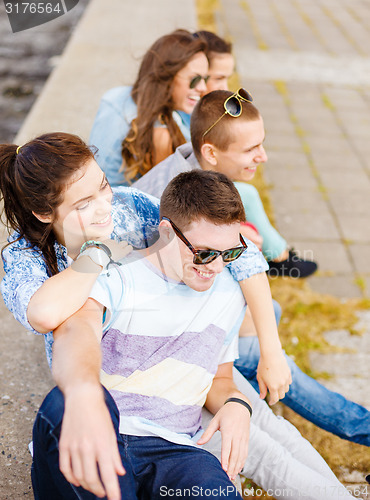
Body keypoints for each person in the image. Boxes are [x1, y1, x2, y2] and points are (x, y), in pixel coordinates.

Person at [32, 171, 353, 500]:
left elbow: (220, 378)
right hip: (106, 429)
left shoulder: (227, 292)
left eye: (229, 254)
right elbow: (77, 333)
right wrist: (84, 391)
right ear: (168, 232)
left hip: (178, 450)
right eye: (204, 252)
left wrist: (236, 405)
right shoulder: (117, 276)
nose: (215, 266)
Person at [132, 91, 370, 446]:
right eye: (251, 149)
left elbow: (247, 265)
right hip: (161, 337)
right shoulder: (176, 196)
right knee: (265, 353)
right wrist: (271, 355)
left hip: (192, 305)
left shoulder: (194, 169)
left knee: (268, 315)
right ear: (211, 153)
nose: (263, 156)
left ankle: (269, 389)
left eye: (262, 143)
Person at [89, 29, 209, 187]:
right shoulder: (161, 135)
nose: (203, 87)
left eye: (205, 79)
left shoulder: (114, 96)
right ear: (166, 77)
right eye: (194, 80)